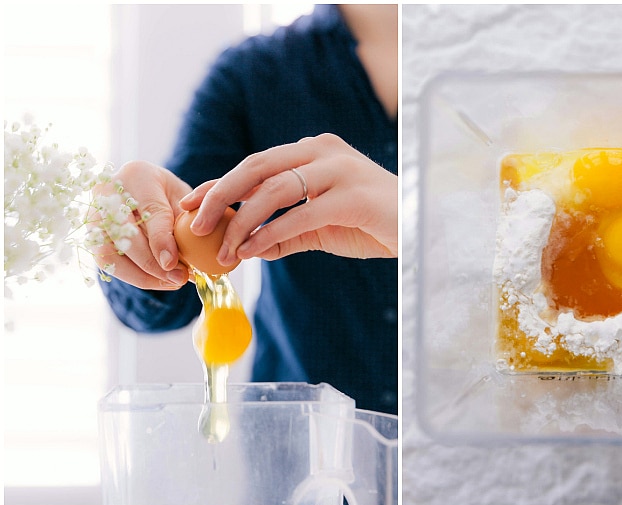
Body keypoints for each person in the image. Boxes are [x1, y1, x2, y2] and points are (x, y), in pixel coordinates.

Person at [96, 4, 398, 414]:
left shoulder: (500, 68)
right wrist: (132, 233)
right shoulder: (254, 72)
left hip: (473, 440)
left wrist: (419, 222)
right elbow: (173, 296)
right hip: (299, 449)